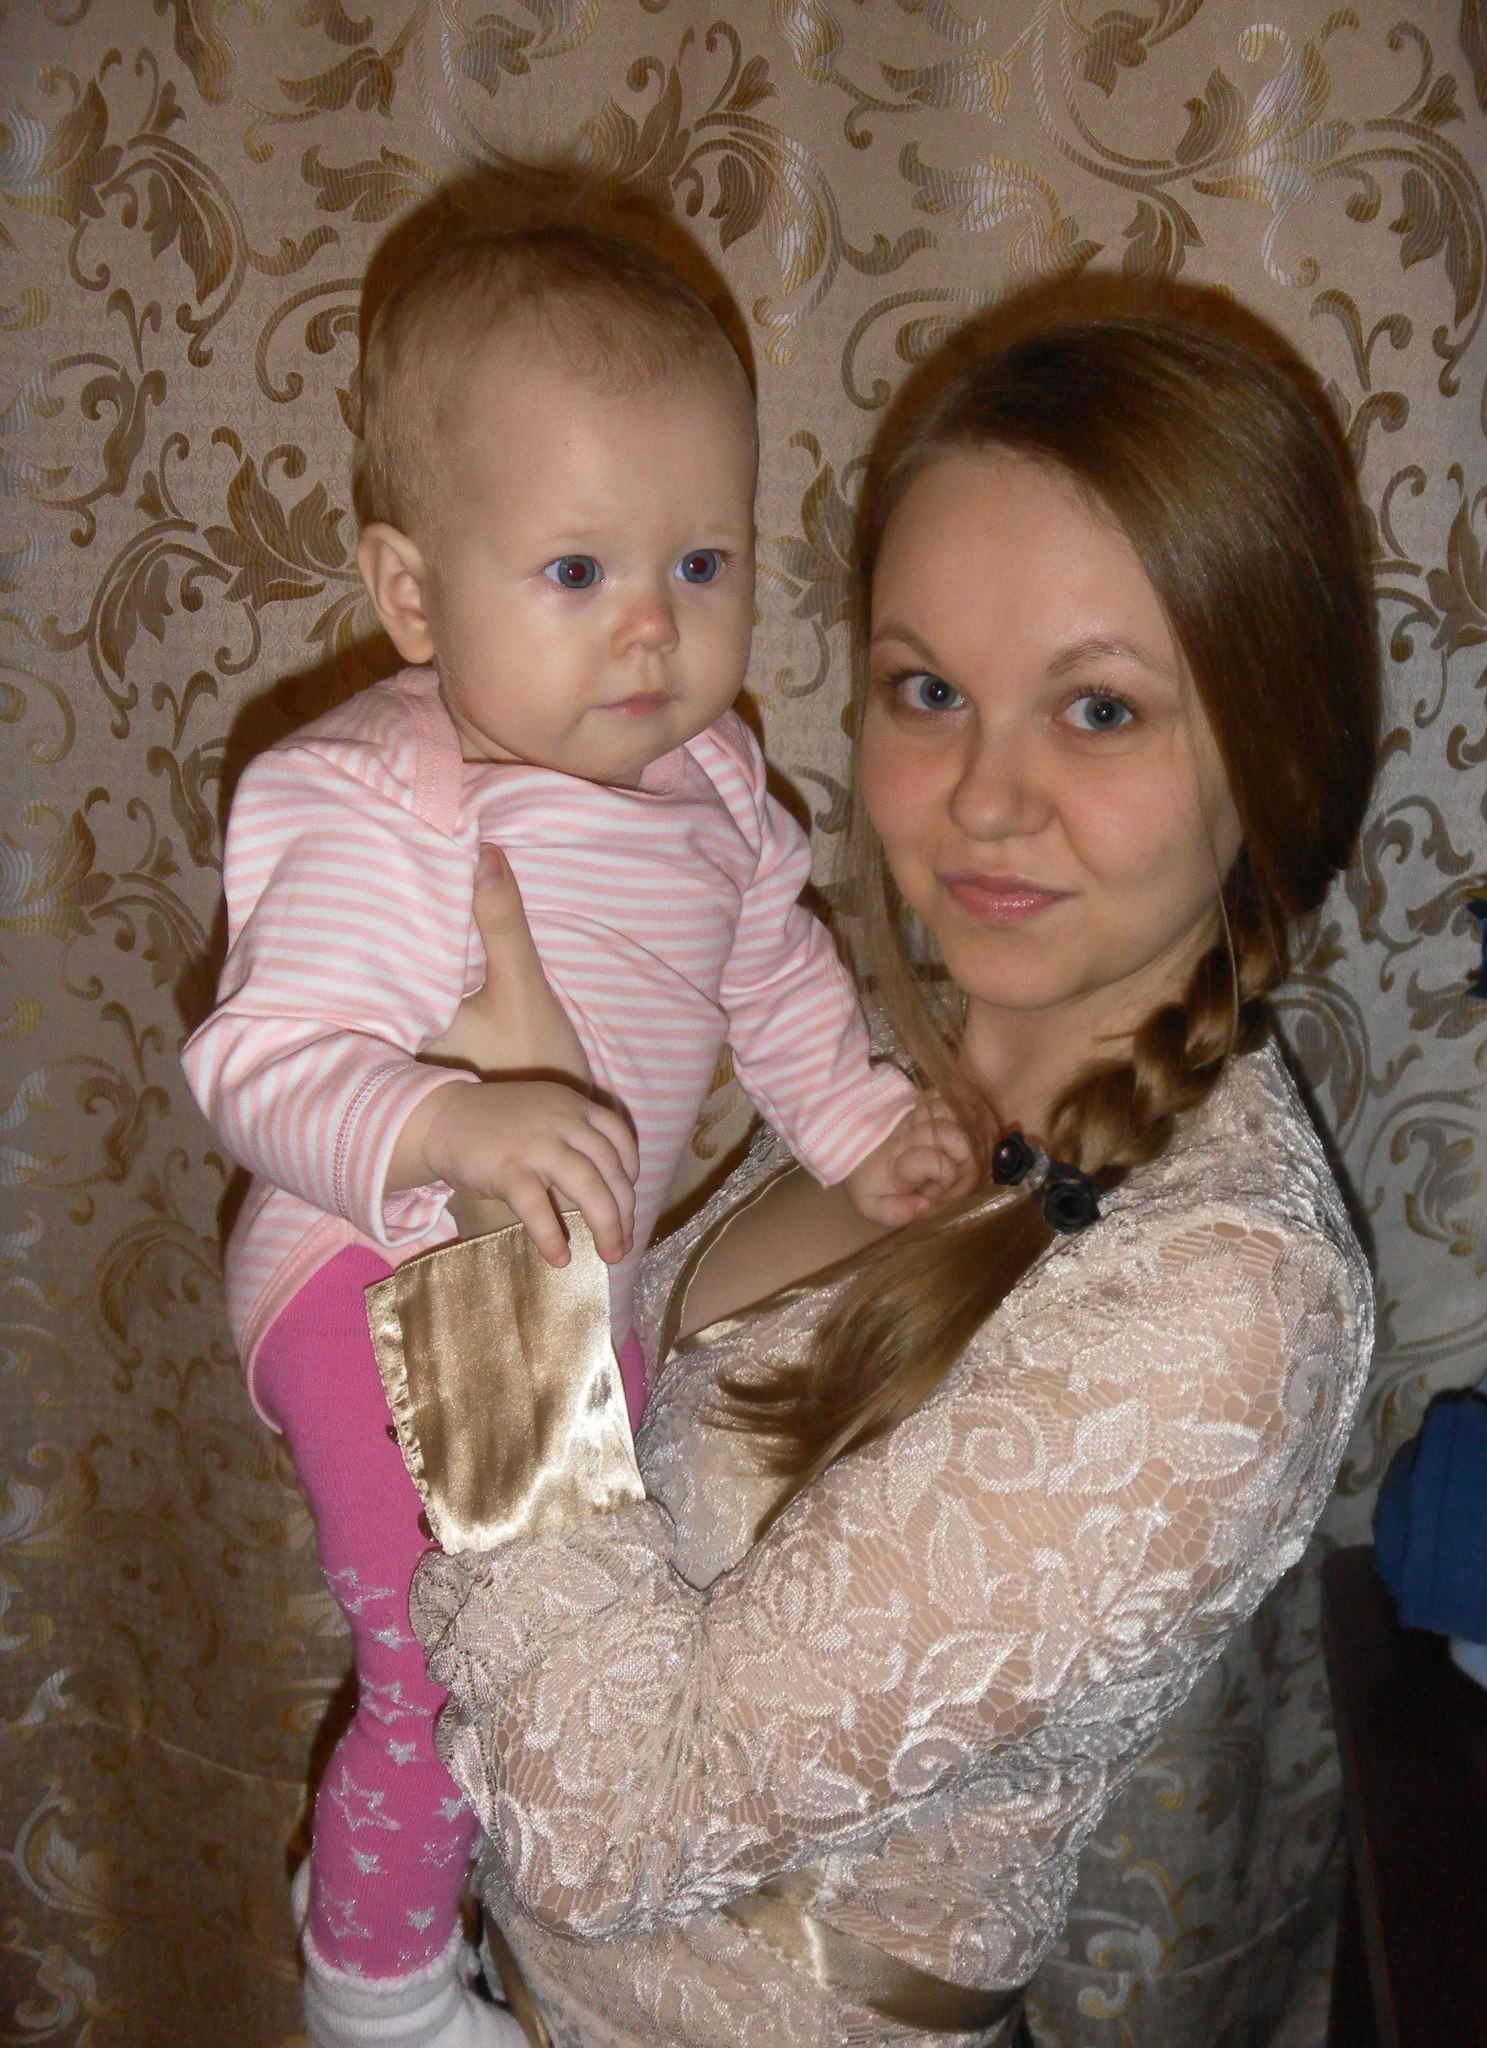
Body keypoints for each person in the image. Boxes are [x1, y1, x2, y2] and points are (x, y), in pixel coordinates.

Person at [396, 309, 1382, 2047]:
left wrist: (507, 1258)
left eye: (1099, 709)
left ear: (1276, 755)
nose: (985, 801)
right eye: (929, 690)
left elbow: (608, 1826)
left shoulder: (1228, 1303)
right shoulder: (904, 1057)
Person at [180, 224, 965, 2048]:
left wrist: (865, 1129)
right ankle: (373, 1995)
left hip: (557, 1284)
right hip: (372, 1272)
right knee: (447, 1673)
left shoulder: (718, 789)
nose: (653, 625)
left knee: (572, 1646)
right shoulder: (378, 792)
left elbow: (777, 984)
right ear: (412, 593)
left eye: (701, 561)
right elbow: (253, 1063)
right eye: (576, 570)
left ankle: (457, 1911)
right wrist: (445, 1115)